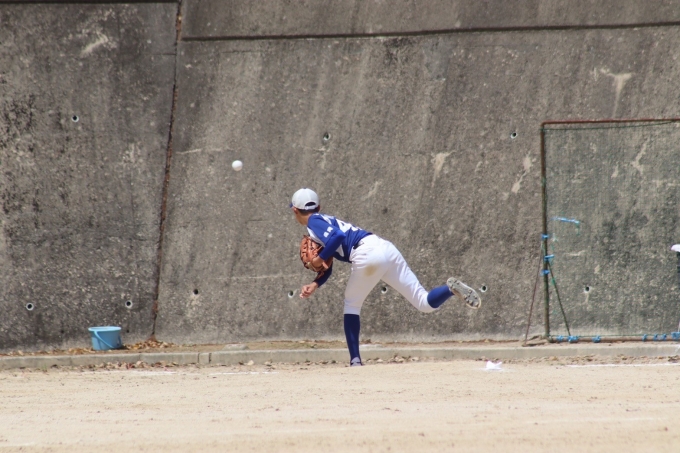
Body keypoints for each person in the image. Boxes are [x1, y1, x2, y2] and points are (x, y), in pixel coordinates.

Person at [290, 188, 481, 366]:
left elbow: (338, 237)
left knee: (352, 304)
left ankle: (355, 360)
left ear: (295, 211)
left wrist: (319, 258)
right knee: (423, 302)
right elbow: (329, 262)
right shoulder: (325, 220)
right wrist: (316, 283)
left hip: (366, 253)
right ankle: (450, 289)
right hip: (385, 248)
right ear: (319, 207)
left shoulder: (314, 221)